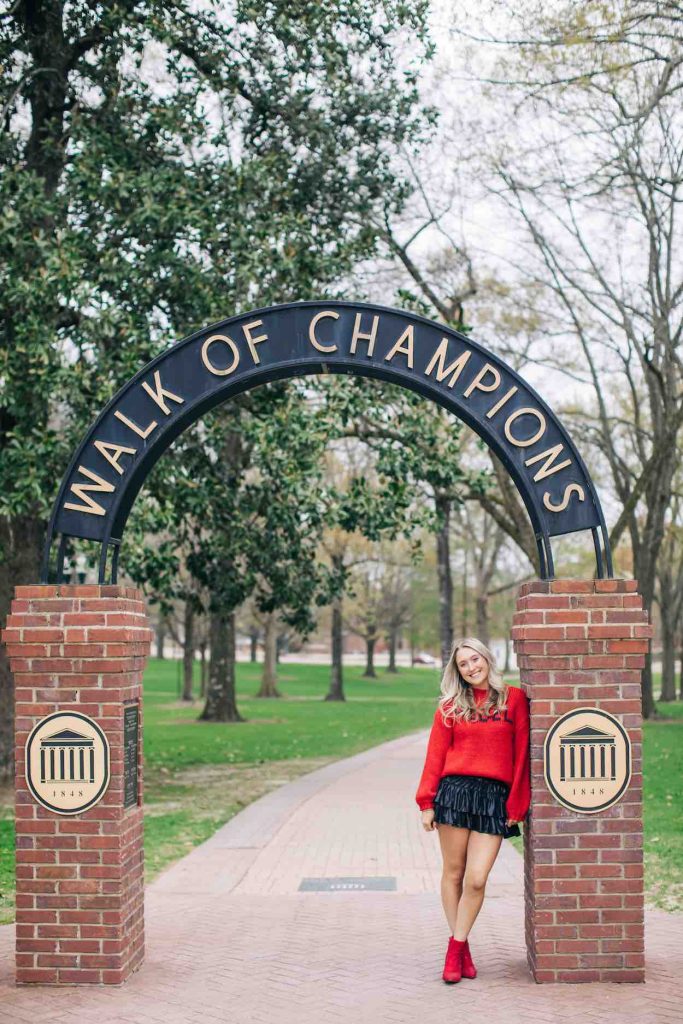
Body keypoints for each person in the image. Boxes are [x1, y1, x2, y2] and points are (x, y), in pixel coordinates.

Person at [415, 636, 530, 984]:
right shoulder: (450, 707)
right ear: (458, 671)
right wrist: (426, 802)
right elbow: (435, 755)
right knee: (454, 872)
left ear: (486, 658)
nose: (471, 667)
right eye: (463, 664)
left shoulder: (514, 699)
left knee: (476, 879)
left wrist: (517, 802)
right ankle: (458, 951)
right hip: (454, 793)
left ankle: (457, 943)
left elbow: (523, 753)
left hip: (494, 797)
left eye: (474, 659)